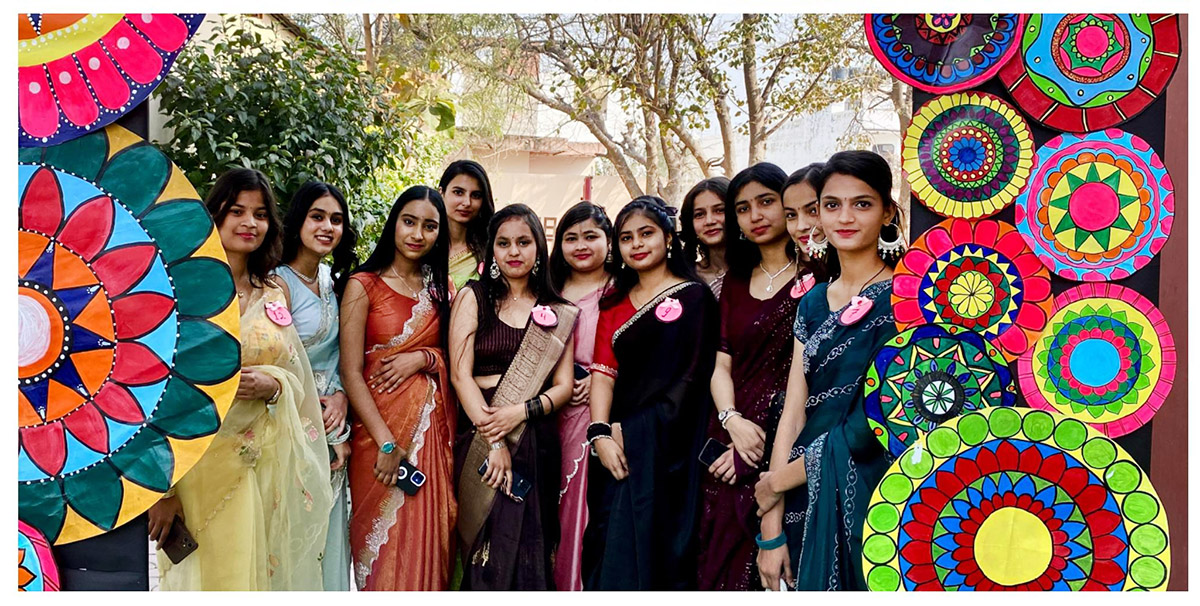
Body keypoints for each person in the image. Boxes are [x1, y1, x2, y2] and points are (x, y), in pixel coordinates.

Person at [151, 168, 332, 590]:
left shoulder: (273, 294)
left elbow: (296, 375)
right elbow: (158, 390)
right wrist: (162, 492)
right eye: (237, 211)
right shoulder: (182, 292)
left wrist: (274, 385)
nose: (250, 222)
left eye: (260, 214)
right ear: (214, 216)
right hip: (197, 466)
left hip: (263, 465)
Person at [754, 151, 905, 591]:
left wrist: (777, 481)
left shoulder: (907, 299)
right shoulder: (812, 302)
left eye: (862, 204)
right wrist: (770, 530)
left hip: (878, 491)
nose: (845, 217)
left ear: (887, 212)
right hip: (803, 497)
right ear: (818, 212)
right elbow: (793, 414)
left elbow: (877, 420)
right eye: (832, 205)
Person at [582, 197, 719, 590]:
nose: (637, 244)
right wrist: (600, 433)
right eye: (626, 238)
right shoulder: (614, 303)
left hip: (672, 448)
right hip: (615, 445)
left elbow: (692, 378)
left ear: (668, 238)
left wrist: (637, 429)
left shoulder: (694, 298)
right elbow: (603, 373)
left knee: (661, 554)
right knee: (610, 550)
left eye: (646, 233)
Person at [449, 204, 578, 590]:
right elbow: (460, 375)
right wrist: (495, 441)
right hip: (480, 436)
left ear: (539, 246)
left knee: (530, 550)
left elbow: (563, 386)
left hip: (535, 441)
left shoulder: (557, 309)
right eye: (503, 243)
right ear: (492, 249)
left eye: (524, 242)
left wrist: (520, 412)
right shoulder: (474, 297)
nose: (514, 252)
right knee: (485, 553)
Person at [339, 186, 457, 590]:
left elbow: (456, 359)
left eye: (430, 226)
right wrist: (387, 443)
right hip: (377, 439)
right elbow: (351, 372)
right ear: (394, 224)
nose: (417, 234)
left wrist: (424, 358)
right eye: (409, 222)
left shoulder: (442, 291)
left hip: (431, 438)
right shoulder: (363, 285)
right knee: (381, 555)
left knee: (428, 542)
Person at [696, 163, 801, 590]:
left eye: (766, 202)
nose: (755, 215)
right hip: (729, 436)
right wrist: (732, 420)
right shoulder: (735, 281)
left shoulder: (817, 278)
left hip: (789, 439)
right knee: (719, 558)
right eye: (742, 208)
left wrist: (757, 442)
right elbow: (720, 363)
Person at [273, 181, 358, 591]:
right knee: (292, 535)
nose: (327, 227)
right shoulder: (277, 283)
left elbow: (342, 353)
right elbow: (279, 358)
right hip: (290, 421)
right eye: (317, 217)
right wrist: (327, 425)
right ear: (298, 221)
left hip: (331, 420)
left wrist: (342, 397)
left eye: (336, 220)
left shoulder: (330, 279)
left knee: (328, 534)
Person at [548, 201, 617, 591]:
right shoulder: (549, 290)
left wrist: (602, 379)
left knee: (585, 512)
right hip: (549, 416)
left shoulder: (622, 290)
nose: (580, 246)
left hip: (599, 416)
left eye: (591, 236)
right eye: (571, 238)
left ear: (609, 240)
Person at [438, 160, 495, 290]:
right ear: (441, 193)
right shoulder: (423, 243)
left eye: (476, 195)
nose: (467, 202)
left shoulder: (490, 250)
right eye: (458, 192)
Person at [680, 177, 730, 299]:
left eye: (719, 210)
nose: (709, 221)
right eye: (699, 214)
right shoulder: (684, 277)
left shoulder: (760, 270)